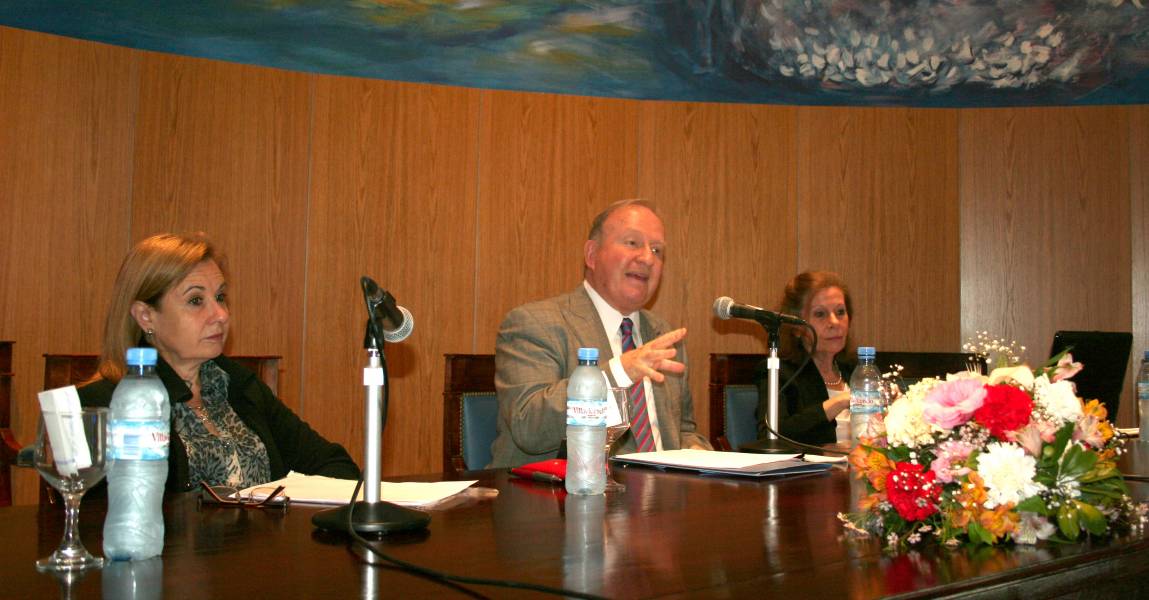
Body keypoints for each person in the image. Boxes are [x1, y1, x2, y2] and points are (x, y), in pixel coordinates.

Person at [80, 232, 359, 492]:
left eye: (220, 297)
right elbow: (112, 517)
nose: (221, 314)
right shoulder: (109, 405)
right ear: (146, 316)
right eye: (196, 300)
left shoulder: (239, 386)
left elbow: (336, 468)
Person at [489, 199, 712, 468]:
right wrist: (619, 372)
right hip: (560, 501)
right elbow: (528, 426)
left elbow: (682, 429)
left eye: (657, 250)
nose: (647, 258)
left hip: (664, 499)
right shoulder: (536, 324)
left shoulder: (663, 336)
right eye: (632, 243)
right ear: (592, 255)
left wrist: (698, 451)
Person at [755, 271, 855, 445]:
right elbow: (771, 435)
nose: (835, 322)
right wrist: (837, 403)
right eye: (820, 314)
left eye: (840, 312)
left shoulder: (857, 369)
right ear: (796, 327)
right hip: (818, 471)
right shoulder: (780, 373)